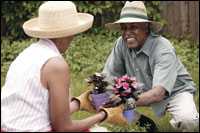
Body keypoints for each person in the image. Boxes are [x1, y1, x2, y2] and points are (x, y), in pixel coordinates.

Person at [1, 1, 125, 132]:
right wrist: (104, 114)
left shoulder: (26, 54)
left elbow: (40, 111)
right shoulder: (56, 65)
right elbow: (63, 128)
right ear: (69, 33)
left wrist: (78, 103)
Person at [102, 1, 199, 131]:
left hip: (174, 92)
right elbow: (108, 78)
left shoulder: (162, 48)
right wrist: (100, 94)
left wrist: (124, 100)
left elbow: (158, 94)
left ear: (146, 27)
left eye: (133, 27)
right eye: (124, 28)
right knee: (102, 99)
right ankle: (142, 123)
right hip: (140, 91)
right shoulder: (121, 44)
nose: (127, 33)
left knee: (187, 120)